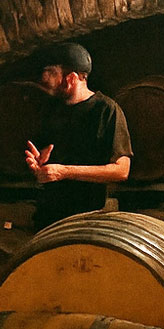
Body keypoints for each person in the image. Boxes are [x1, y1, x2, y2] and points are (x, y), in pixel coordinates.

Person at [23, 43, 132, 228]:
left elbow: (121, 170)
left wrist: (64, 172)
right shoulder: (51, 110)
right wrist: (38, 165)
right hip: (47, 219)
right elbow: (47, 163)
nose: (44, 79)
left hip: (87, 221)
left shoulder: (106, 110)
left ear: (71, 78)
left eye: (50, 72)